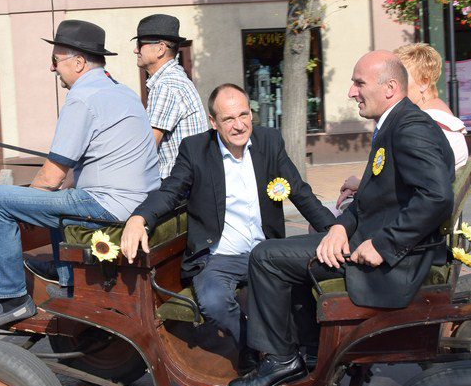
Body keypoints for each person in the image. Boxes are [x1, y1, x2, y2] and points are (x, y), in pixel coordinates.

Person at [228, 51, 455, 386]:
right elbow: (371, 199)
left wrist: (384, 244)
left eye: (359, 83)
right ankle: (309, 349)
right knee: (292, 250)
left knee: (265, 257)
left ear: (390, 87)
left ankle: (280, 359)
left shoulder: (409, 128)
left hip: (395, 262)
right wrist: (338, 227)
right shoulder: (395, 123)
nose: (352, 92)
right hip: (368, 239)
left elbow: (436, 197)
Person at [121, 84, 336, 370]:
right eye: (229, 119)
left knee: (306, 284)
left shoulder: (269, 141)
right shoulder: (196, 150)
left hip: (267, 253)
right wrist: (140, 217)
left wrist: (335, 230)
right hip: (219, 256)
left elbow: (300, 192)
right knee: (212, 300)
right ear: (213, 122)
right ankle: (250, 343)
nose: (239, 125)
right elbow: (170, 191)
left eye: (244, 115)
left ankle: (307, 352)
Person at [0, 19, 160, 329]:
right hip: (140, 202)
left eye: (55, 60)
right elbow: (74, 171)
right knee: (62, 199)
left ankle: (11, 298)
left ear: (79, 62)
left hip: (109, 207)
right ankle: (69, 282)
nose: (52, 69)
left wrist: (22, 204)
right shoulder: (122, 91)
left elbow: (51, 177)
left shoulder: (83, 97)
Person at [336, 43, 468, 209]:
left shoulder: (421, 128)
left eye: (403, 77)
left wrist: (362, 185)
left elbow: (424, 192)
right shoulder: (435, 118)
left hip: (402, 221)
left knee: (327, 221)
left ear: (424, 83)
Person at [133, 14, 208, 177]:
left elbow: (147, 147)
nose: (135, 50)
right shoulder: (175, 79)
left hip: (176, 189)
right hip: (187, 183)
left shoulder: (166, 85)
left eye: (140, 44)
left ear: (160, 49)